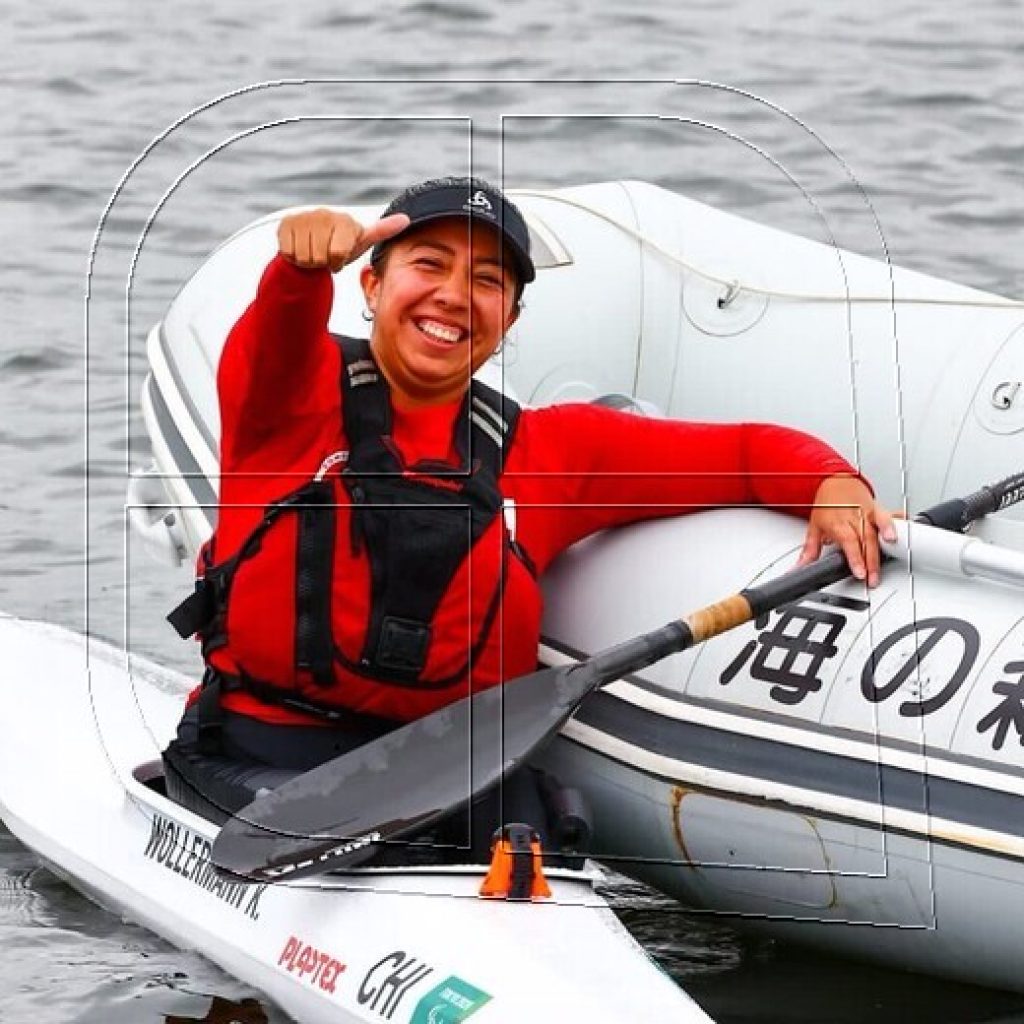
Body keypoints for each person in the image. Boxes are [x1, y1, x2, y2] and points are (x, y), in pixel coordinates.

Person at [163, 176, 895, 861]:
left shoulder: (553, 451)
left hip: (449, 776)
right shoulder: (287, 395)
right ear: (371, 283)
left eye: (488, 282)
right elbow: (281, 324)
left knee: (530, 832)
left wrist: (830, 482)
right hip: (261, 757)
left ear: (508, 320)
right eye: (430, 264)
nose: (454, 296)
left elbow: (742, 452)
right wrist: (298, 266)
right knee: (369, 840)